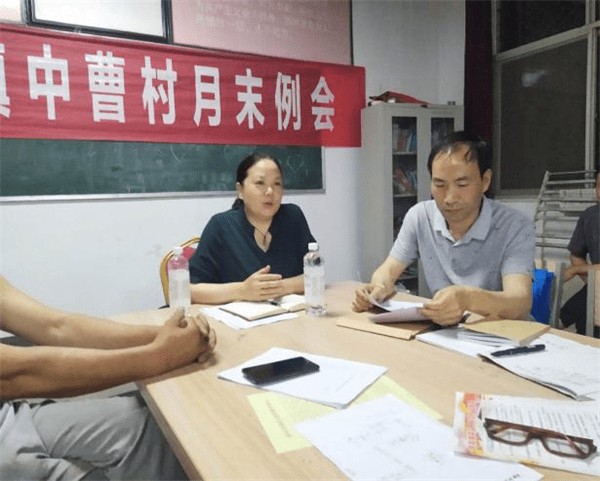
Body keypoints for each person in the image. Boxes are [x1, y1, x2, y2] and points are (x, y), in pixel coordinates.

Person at [0, 275, 216, 480]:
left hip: (8, 416)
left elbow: (56, 326)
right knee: (159, 437)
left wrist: (172, 337)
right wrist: (159, 356)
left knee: (149, 424)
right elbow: (13, 375)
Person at [353, 131, 535, 325]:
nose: (449, 198)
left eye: (462, 184)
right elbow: (388, 270)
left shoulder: (515, 226)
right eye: (439, 185)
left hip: (501, 333)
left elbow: (520, 301)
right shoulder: (420, 216)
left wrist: (466, 299)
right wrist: (377, 289)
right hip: (448, 331)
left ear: (485, 181)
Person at [189, 152, 316, 304]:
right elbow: (190, 291)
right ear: (240, 190)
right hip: (238, 318)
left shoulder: (293, 217)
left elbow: (315, 273)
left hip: (291, 315)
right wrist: (243, 290)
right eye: (260, 183)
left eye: (277, 184)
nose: (270, 191)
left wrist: (278, 287)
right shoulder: (221, 226)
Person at [559, 170, 600, 336]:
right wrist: (591, 281)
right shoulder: (590, 216)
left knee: (565, 316)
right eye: (598, 186)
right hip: (595, 288)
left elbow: (576, 267)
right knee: (569, 318)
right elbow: (577, 255)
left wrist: (577, 270)